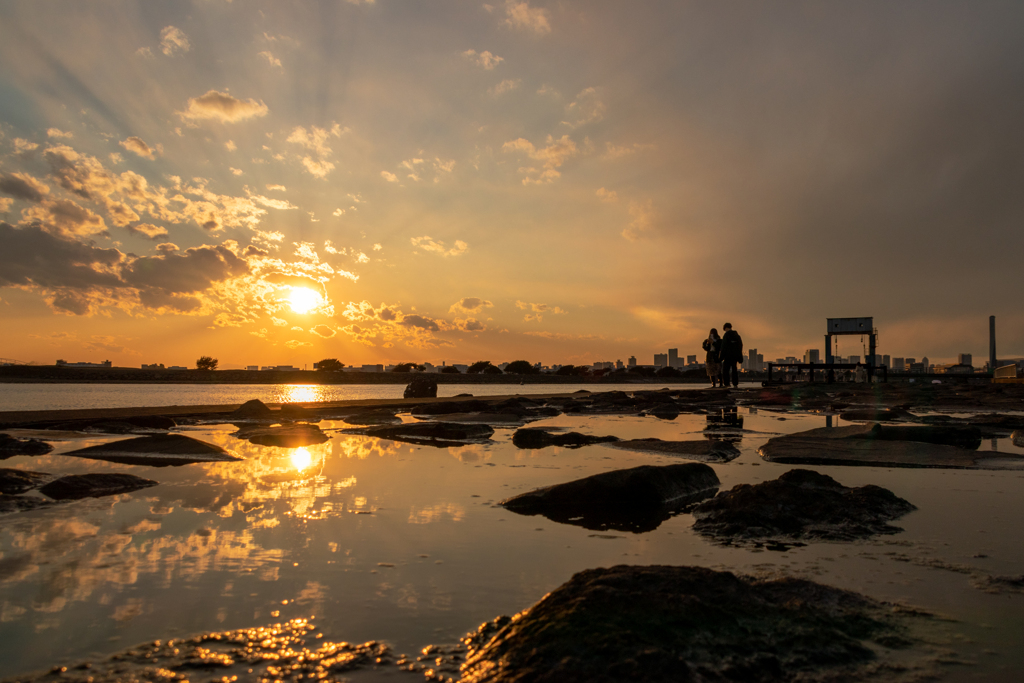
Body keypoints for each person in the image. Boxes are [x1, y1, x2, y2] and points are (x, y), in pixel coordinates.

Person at [719, 322, 743, 388]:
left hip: (727, 356)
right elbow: (740, 346)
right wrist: (740, 357)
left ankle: (727, 384)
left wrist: (721, 357)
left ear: (725, 328)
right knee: (734, 369)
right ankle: (735, 384)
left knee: (726, 370)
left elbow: (723, 347)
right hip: (735, 356)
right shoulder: (737, 336)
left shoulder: (726, 335)